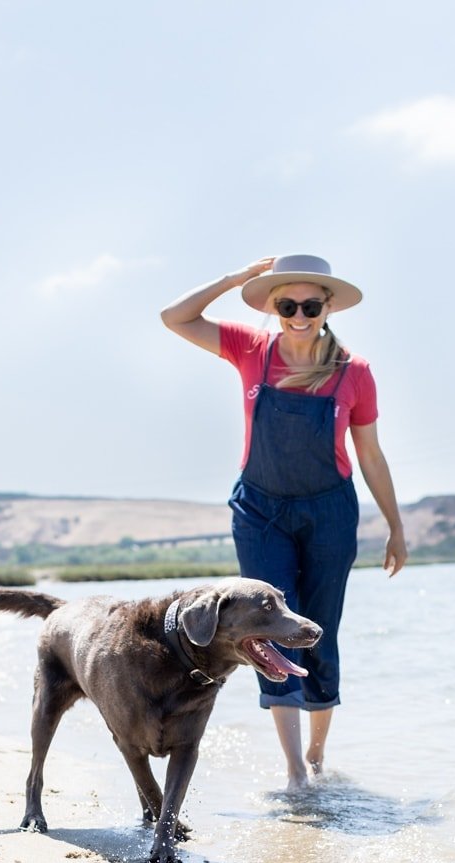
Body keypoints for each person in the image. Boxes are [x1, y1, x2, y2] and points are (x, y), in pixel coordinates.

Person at [161, 253, 408, 788]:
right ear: (273, 307)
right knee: (266, 628)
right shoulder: (251, 349)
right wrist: (235, 279)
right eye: (288, 304)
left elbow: (370, 456)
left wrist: (395, 525)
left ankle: (318, 756)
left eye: (311, 304)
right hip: (260, 511)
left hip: (330, 514)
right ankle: (295, 770)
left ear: (327, 308)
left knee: (320, 629)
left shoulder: (353, 373)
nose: (299, 314)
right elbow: (174, 317)